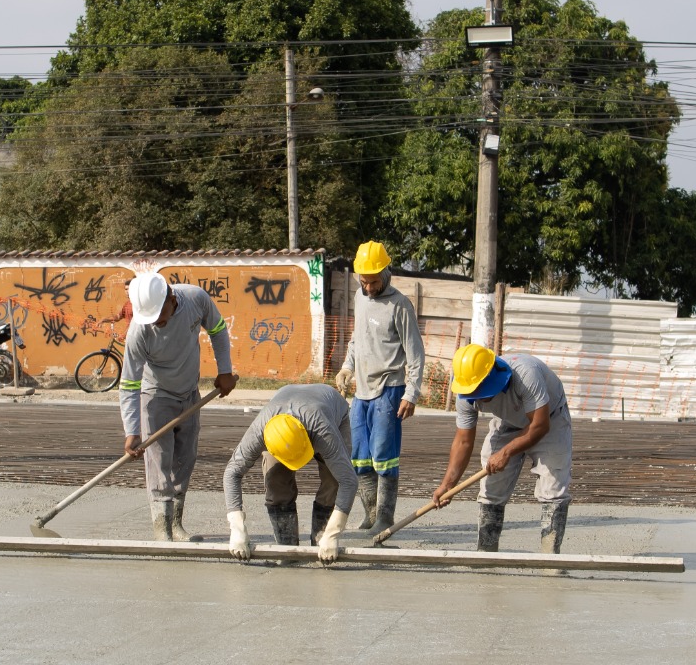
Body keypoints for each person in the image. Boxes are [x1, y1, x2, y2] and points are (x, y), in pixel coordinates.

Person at [119, 271, 238, 540]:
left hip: (189, 393)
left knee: (185, 458)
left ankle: (176, 525)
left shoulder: (195, 299)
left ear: (171, 298)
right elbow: (129, 384)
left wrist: (225, 370)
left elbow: (218, 329)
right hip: (156, 396)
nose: (156, 323)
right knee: (159, 460)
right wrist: (132, 430)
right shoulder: (139, 331)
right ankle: (162, 529)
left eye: (159, 316)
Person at [433, 344, 573, 554]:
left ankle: (550, 560)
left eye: (480, 390)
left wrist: (507, 452)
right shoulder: (465, 392)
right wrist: (448, 485)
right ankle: (486, 553)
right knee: (491, 488)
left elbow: (540, 425)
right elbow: (463, 441)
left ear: (491, 376)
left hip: (549, 419)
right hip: (507, 421)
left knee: (553, 488)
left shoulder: (525, 374)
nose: (476, 397)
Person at [335, 240, 425, 536]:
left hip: (390, 390)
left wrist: (411, 393)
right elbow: (356, 340)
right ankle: (370, 513)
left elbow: (415, 353)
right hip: (361, 392)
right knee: (360, 457)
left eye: (374, 281)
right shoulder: (360, 298)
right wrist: (347, 367)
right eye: (364, 281)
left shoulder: (399, 305)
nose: (369, 287)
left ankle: (385, 517)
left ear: (387, 273)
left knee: (384, 456)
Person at [224, 383, 356, 563]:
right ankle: (287, 550)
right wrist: (237, 528)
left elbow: (348, 481)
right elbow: (232, 472)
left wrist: (333, 533)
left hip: (327, 412)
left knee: (333, 480)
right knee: (275, 480)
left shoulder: (322, 431)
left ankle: (321, 542)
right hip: (283, 414)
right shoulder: (261, 430)